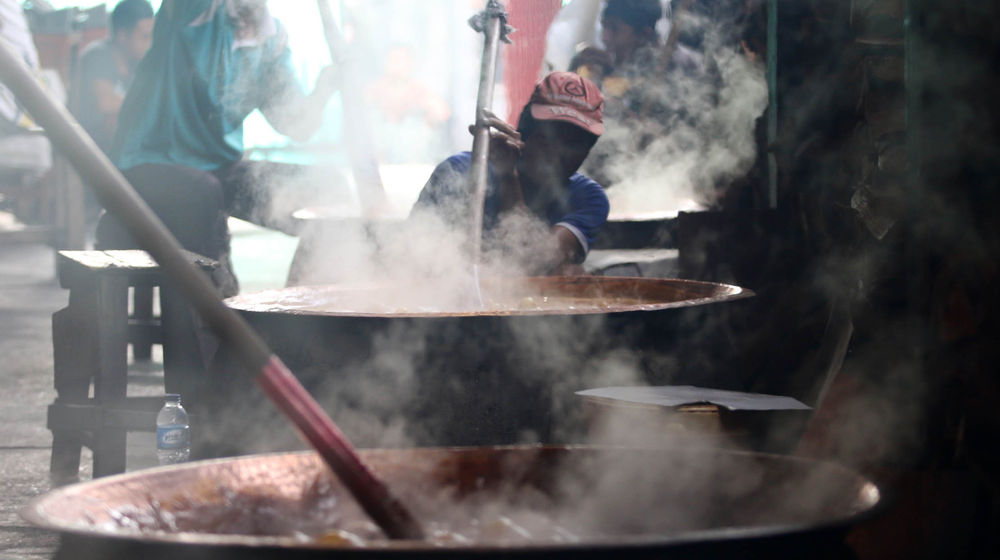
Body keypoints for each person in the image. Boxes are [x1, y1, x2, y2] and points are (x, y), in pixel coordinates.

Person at [97, 0, 340, 404]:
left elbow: (295, 123)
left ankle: (298, 338)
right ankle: (213, 368)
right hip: (150, 165)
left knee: (327, 185)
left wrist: (327, 86)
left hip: (218, 168)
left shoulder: (270, 38)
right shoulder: (194, 14)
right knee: (202, 195)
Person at [410, 72, 609, 276]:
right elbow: (415, 259)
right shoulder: (460, 172)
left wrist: (508, 178)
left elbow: (530, 262)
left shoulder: (587, 198)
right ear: (524, 131)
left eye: (575, 143)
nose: (559, 154)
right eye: (550, 138)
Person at [72, 0, 154, 155]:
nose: (150, 44)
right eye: (145, 37)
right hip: (90, 149)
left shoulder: (136, 62)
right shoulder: (97, 55)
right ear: (122, 35)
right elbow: (107, 103)